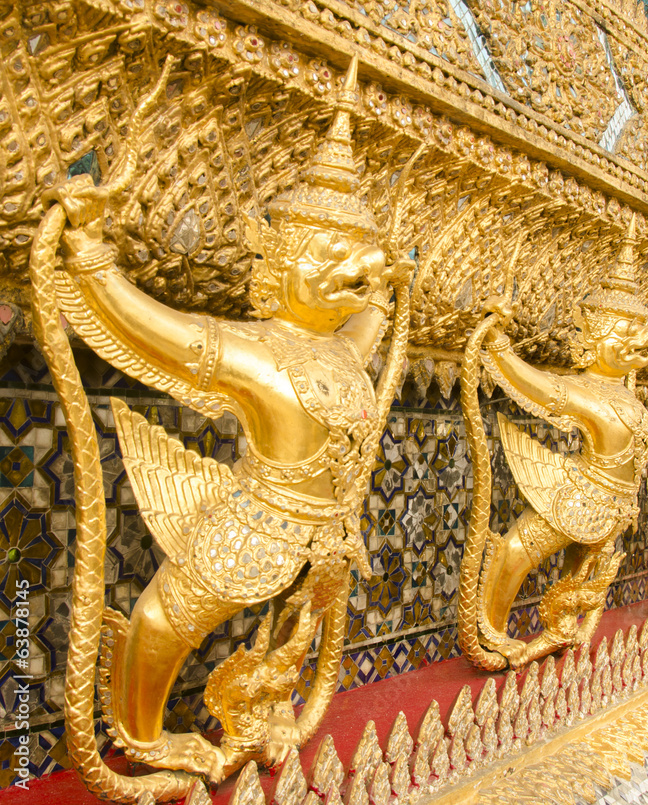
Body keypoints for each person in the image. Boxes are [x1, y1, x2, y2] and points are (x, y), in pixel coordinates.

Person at [43, 58, 407, 779]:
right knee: (159, 621)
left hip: (330, 539)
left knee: (294, 635)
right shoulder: (253, 350)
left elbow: (370, 321)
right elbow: (152, 328)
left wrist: (389, 293)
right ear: (281, 262)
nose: (360, 271)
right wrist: (90, 255)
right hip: (255, 527)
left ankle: (266, 711)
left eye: (365, 260)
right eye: (335, 257)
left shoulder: (342, 348)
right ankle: (145, 736)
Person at [459, 216, 648, 670]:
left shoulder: (623, 396)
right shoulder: (588, 391)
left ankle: (538, 628)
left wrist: (499, 345)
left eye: (642, 334)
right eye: (624, 332)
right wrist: (497, 344)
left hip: (600, 507)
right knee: (516, 552)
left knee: (541, 562)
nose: (639, 342)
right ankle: (495, 632)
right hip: (592, 503)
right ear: (592, 340)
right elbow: (536, 386)